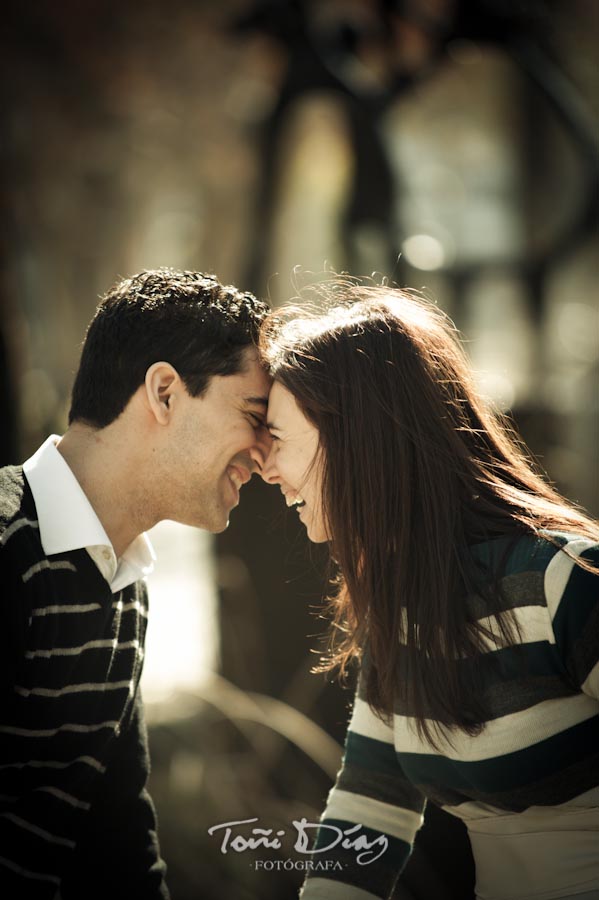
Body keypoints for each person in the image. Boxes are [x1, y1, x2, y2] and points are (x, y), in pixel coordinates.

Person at [259, 281, 599, 900]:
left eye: (277, 438)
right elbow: (368, 815)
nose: (266, 468)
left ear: (356, 437)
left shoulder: (563, 580)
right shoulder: (402, 614)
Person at [0, 268, 271, 899]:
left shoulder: (123, 583)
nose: (262, 453)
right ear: (165, 393)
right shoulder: (8, 551)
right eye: (253, 415)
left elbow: (113, 826)